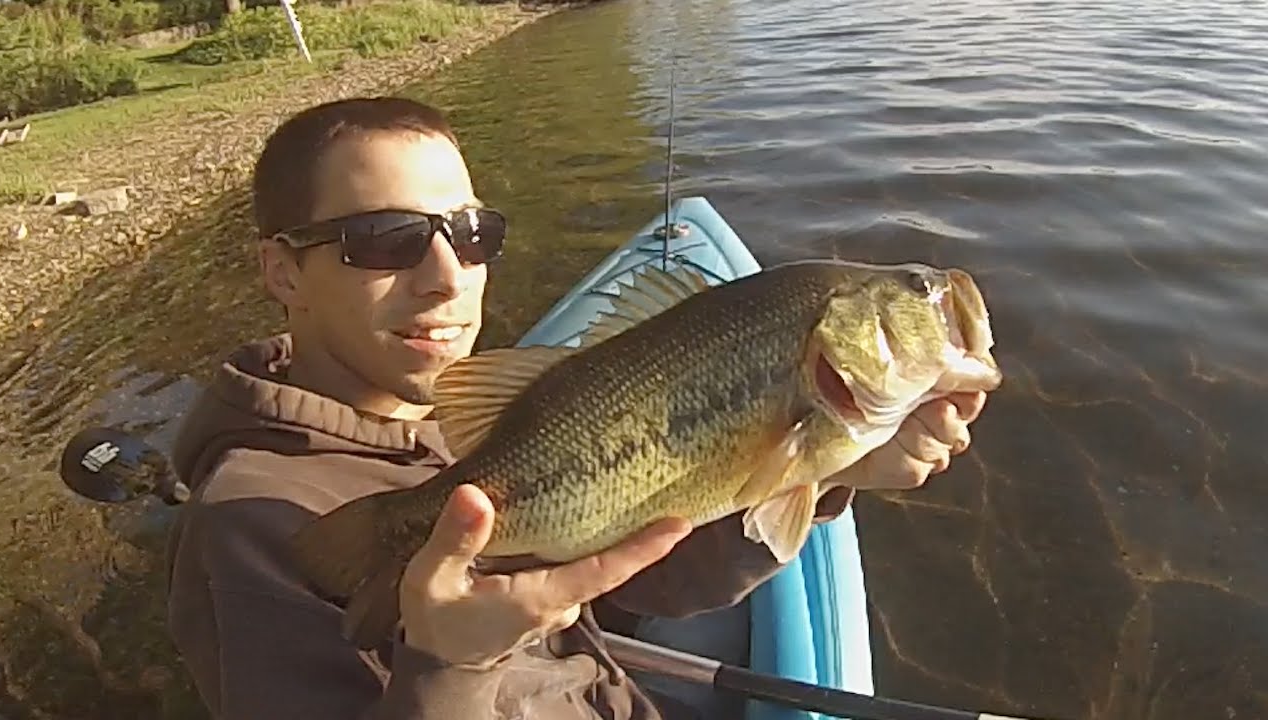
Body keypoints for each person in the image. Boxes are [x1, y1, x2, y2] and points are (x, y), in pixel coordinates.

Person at [163, 96, 991, 720]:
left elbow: (636, 586)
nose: (449, 277)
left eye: (472, 233)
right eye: (383, 239)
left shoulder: (451, 425)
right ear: (281, 274)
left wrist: (830, 467)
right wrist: (449, 664)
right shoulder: (257, 525)